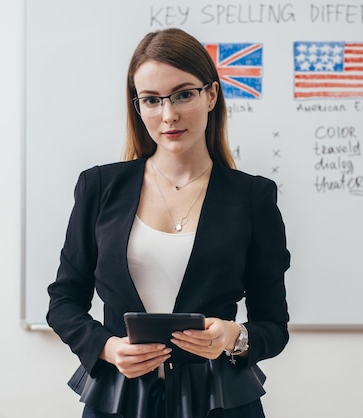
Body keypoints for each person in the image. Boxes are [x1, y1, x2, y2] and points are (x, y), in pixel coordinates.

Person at [47, 27, 290, 418]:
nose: (169, 114)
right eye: (152, 100)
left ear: (211, 95)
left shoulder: (253, 197)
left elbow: (274, 327)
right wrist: (108, 348)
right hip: (120, 400)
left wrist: (233, 337)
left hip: (220, 402)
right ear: (138, 106)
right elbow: (63, 302)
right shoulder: (99, 187)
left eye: (183, 94)